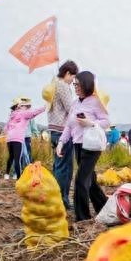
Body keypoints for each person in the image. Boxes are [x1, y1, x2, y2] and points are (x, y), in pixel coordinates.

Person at [56, 71, 110, 222]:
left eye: (78, 85)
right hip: (78, 145)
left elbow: (106, 121)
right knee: (90, 181)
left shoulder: (96, 101)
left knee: (80, 180)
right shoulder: (74, 103)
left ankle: (83, 218)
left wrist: (91, 123)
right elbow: (68, 126)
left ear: (87, 84)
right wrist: (61, 142)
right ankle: (105, 208)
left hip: (92, 147)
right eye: (75, 85)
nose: (76, 87)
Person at [46, 61, 78, 209]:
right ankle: (62, 199)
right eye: (73, 77)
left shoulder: (53, 84)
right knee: (65, 168)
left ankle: (56, 197)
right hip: (62, 131)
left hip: (53, 130)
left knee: (58, 165)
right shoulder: (63, 86)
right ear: (67, 73)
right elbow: (71, 108)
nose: (73, 81)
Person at [5, 97, 45, 180]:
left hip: (9, 139)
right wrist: (45, 107)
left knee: (11, 157)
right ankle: (19, 178)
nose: (23, 106)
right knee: (18, 159)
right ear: (18, 106)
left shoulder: (11, 115)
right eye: (21, 105)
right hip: (18, 139)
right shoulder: (23, 113)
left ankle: (7, 174)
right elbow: (34, 113)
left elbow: (6, 128)